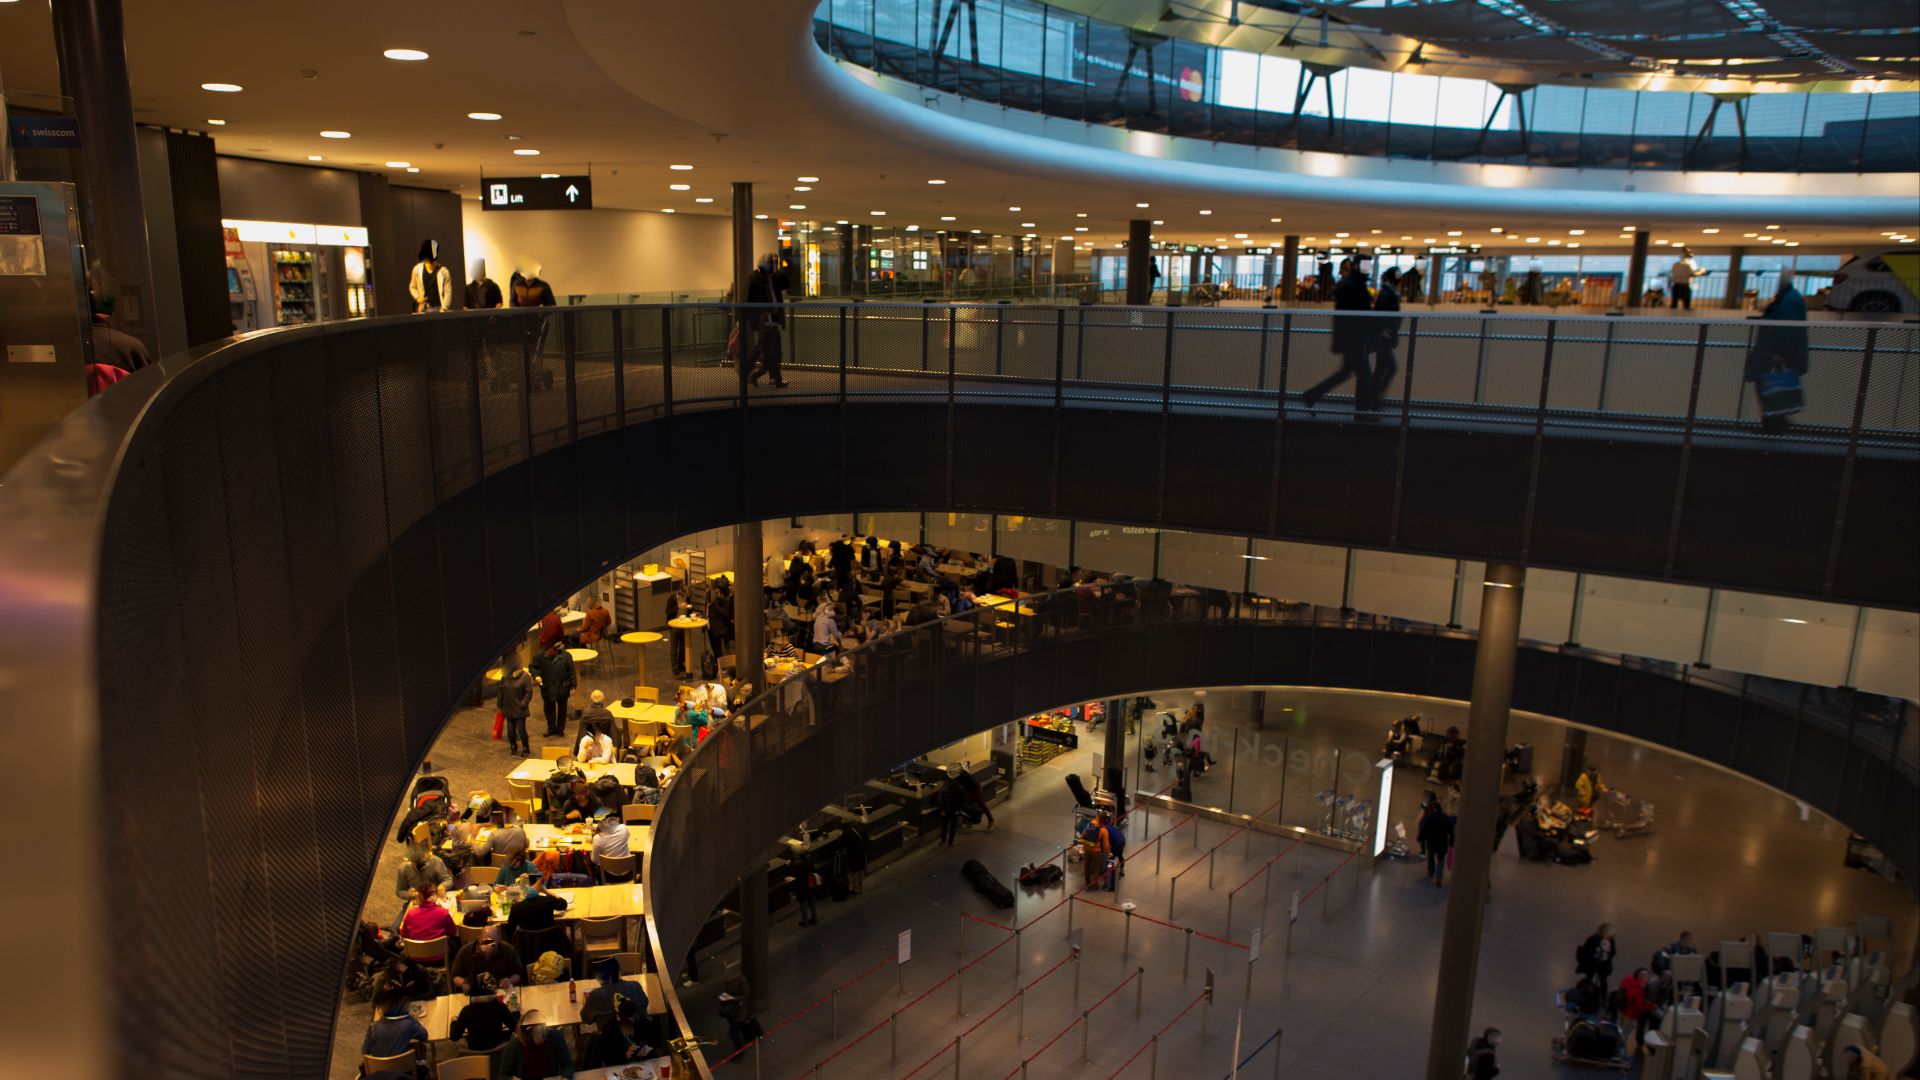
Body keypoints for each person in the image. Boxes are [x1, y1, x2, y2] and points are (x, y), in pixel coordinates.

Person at [1300, 259, 1377, 412]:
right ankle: (1363, 410)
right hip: (1355, 337)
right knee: (1362, 374)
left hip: (1350, 337)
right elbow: (1359, 314)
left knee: (1348, 372)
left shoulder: (1350, 284)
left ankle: (1312, 395)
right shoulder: (1355, 286)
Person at [1745, 271, 1809, 434]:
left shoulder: (1789, 301)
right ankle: (1775, 426)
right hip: (1775, 353)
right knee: (1775, 391)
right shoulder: (1791, 299)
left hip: (1773, 355)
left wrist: (1780, 353)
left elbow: (1787, 329)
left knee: (1770, 390)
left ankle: (1774, 428)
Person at [743, 253, 788, 388]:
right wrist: (744, 320)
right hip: (763, 318)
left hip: (772, 317)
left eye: (775, 263)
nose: (773, 266)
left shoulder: (773, 278)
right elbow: (747, 299)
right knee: (765, 349)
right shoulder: (754, 278)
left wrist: (777, 271)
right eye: (771, 263)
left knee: (773, 349)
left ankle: (766, 377)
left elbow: (787, 283)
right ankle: (749, 373)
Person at [449, 972, 518, 1056]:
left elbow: (454, 1036)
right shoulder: (500, 1008)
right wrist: (515, 1012)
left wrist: (453, 1021)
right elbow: (514, 1027)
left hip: (475, 1057)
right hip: (498, 1054)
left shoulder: (466, 1011)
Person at [498, 1010, 575, 1080]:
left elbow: (568, 1064)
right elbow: (502, 1077)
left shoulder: (555, 1037)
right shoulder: (512, 1047)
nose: (536, 1046)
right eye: (531, 1044)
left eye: (540, 1042)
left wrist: (565, 1077)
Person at [1367, 266, 1403, 414]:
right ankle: (1375, 400)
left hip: (1384, 338)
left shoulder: (1387, 293)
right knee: (1390, 368)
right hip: (1383, 339)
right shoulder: (1387, 294)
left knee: (1381, 369)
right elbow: (1379, 315)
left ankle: (1374, 401)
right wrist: (1382, 331)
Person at [361, 997, 430, 1071]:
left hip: (378, 1074)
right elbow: (424, 1035)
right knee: (421, 1048)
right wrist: (408, 1016)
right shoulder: (409, 1025)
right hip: (404, 1074)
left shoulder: (373, 1027)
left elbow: (364, 1051)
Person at [450, 933, 523, 993]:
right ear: (479, 939)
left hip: (501, 992)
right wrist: (463, 983)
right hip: (475, 993)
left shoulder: (508, 950)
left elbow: (518, 974)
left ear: (498, 940)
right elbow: (455, 975)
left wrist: (509, 981)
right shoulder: (465, 951)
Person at [533, 639, 575, 738]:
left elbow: (571, 671)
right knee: (549, 709)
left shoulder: (566, 656)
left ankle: (560, 729)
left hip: (562, 687)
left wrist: (573, 685)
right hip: (547, 687)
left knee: (562, 710)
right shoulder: (540, 656)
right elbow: (533, 667)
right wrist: (535, 675)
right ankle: (551, 728)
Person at [1619, 967, 1661, 1053]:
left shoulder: (1628, 982)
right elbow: (1640, 1007)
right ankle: (1620, 1050)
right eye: (1645, 976)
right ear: (1641, 977)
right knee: (1625, 1033)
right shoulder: (1638, 991)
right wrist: (1652, 1006)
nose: (1647, 978)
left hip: (1623, 1010)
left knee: (1621, 1029)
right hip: (1630, 1014)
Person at [718, 977, 765, 1051]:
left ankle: (740, 1050)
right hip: (734, 1011)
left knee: (734, 1031)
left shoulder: (740, 980)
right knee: (743, 1025)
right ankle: (752, 1038)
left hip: (738, 1010)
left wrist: (732, 998)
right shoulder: (727, 980)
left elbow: (745, 994)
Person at [409, 239, 453, 313]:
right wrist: (418, 297)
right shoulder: (417, 270)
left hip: (439, 309)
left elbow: (448, 292)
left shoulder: (444, 272)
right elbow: (412, 287)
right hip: (423, 309)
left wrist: (444, 309)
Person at [500, 659, 534, 756]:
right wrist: (500, 705)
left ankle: (526, 748)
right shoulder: (505, 677)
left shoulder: (525, 677)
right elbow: (501, 691)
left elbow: (528, 692)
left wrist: (522, 703)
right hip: (508, 707)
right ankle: (513, 746)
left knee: (521, 730)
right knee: (510, 730)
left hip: (519, 709)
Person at [1417, 798, 1454, 887]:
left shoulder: (1430, 817)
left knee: (1431, 856)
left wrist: (1420, 838)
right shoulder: (1446, 818)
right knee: (1441, 860)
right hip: (1442, 843)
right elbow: (1451, 832)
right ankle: (1438, 878)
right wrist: (1452, 843)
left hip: (1432, 842)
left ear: (1434, 809)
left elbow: (1424, 829)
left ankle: (1431, 871)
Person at [1576, 924, 1618, 993]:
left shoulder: (1611, 940)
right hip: (1593, 964)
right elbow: (1586, 951)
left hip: (1604, 965)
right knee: (1590, 978)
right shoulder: (1593, 939)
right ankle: (1586, 992)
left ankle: (1603, 995)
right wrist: (1595, 955)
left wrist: (1607, 954)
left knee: (1603, 981)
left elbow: (1613, 952)